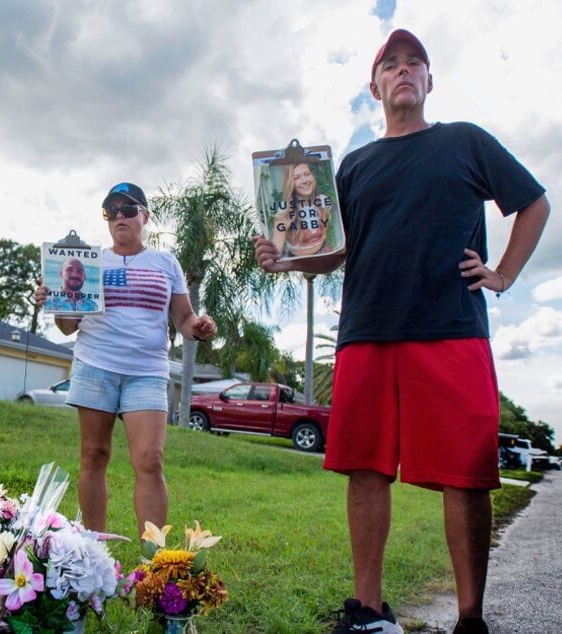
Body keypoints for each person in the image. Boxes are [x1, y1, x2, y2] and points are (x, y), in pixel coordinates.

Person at [253, 29, 549, 634]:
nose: (404, 71)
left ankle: (470, 617)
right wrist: (286, 258)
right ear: (375, 86)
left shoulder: (464, 142)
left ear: (430, 81)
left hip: (451, 328)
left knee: (467, 470)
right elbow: (331, 253)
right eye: (391, 64)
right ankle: (368, 612)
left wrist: (503, 274)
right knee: (365, 467)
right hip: (366, 330)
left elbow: (534, 203)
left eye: (415, 63)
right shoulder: (355, 166)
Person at [34, 182, 217, 536]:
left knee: (150, 461)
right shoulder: (88, 261)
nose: (120, 216)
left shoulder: (166, 263)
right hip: (95, 364)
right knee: (93, 455)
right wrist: (54, 300)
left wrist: (200, 325)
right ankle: (92, 550)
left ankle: (154, 564)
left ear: (145, 216)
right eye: (111, 210)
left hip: (146, 372)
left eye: (128, 209)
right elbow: (68, 325)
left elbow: (183, 319)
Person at [271, 162, 334, 258]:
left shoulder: (322, 201)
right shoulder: (285, 208)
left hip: (325, 253)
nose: (304, 180)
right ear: (290, 183)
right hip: (299, 263)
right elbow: (275, 252)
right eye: (297, 177)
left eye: (307, 174)